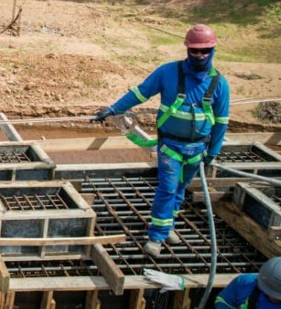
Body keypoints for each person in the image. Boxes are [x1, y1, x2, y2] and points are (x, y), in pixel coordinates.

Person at [93, 24, 230, 257]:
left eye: (204, 51)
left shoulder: (219, 84)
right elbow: (141, 92)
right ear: (187, 49)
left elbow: (222, 121)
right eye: (195, 50)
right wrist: (113, 109)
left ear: (213, 50)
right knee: (168, 188)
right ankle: (156, 236)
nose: (199, 55)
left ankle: (168, 226)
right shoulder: (168, 73)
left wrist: (213, 153)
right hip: (171, 146)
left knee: (180, 189)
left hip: (197, 149)